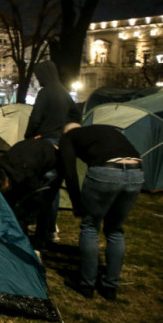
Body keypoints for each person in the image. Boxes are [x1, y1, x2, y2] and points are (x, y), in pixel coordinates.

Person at [60, 123, 144, 300]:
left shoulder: (69, 137)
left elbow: (69, 170)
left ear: (66, 132)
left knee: (90, 226)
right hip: (136, 172)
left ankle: (86, 284)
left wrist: (76, 202)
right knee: (115, 229)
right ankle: (110, 287)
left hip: (106, 171)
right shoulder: (102, 130)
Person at [24, 60, 81, 242]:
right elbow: (76, 115)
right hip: (61, 145)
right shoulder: (64, 93)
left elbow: (35, 118)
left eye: (38, 75)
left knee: (41, 186)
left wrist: (29, 136)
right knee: (53, 188)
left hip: (46, 143)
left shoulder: (45, 93)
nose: (37, 79)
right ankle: (50, 228)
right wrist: (65, 131)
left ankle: (38, 226)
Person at [0, 138, 62, 250]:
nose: (6, 190)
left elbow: (35, 199)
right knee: (13, 201)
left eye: (5, 188)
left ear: (6, 181)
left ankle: (40, 243)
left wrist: (20, 217)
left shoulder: (27, 174)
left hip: (52, 162)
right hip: (31, 153)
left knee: (44, 205)